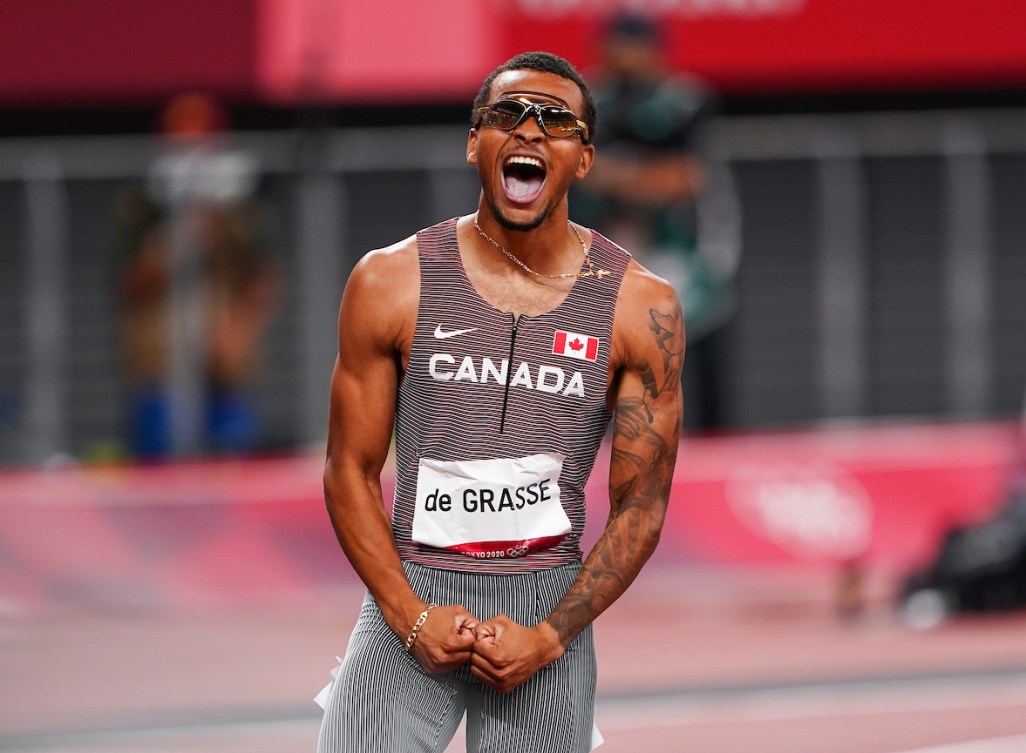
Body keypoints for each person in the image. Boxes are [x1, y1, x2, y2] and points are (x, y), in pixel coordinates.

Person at [316, 51, 683, 753]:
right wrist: (410, 615)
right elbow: (348, 470)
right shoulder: (391, 281)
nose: (529, 131)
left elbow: (643, 505)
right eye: (507, 114)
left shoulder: (640, 307)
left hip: (546, 612)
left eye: (556, 120)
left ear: (583, 158)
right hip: (413, 595)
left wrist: (548, 636)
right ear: (473, 142)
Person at [572, 13, 738, 432]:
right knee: (592, 359)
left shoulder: (682, 101)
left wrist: (618, 176)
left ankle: (710, 457)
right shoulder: (585, 102)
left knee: (694, 345)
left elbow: (684, 179)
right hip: (603, 253)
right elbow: (573, 168)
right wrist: (633, 178)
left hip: (677, 250)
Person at [116, 93, 282, 458]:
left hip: (222, 352)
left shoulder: (241, 206)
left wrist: (239, 332)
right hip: (162, 351)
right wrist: (174, 243)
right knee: (157, 458)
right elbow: (129, 281)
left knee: (230, 458)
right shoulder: (145, 203)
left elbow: (260, 277)